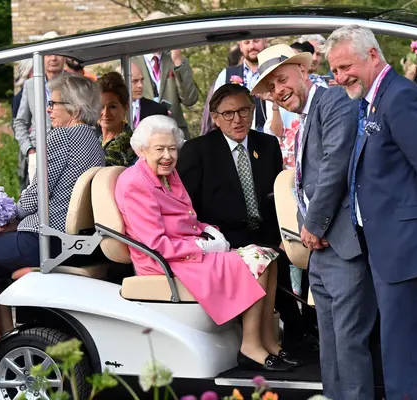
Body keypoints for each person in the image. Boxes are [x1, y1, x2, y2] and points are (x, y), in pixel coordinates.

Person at [325, 25, 417, 400]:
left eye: (346, 66)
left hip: (408, 249)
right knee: (413, 360)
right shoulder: (375, 98)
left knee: (403, 363)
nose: (341, 77)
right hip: (390, 248)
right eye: (335, 71)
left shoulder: (401, 97)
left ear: (372, 56)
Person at [116, 115, 298, 371]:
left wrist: (208, 230)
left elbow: (184, 218)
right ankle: (250, 346)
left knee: (268, 256)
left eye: (171, 148)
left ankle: (267, 340)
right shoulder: (135, 182)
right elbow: (156, 244)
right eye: (159, 149)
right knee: (256, 259)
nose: (167, 155)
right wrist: (201, 247)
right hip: (167, 262)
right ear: (141, 150)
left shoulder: (166, 174)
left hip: (184, 251)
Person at [252, 44, 375, 400]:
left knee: (349, 344)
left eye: (281, 79)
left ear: (303, 71)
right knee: (331, 346)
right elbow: (309, 179)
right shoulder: (309, 113)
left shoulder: (334, 100)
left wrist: (313, 227)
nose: (278, 90)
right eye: (271, 87)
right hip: (321, 249)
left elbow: (335, 168)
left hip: (341, 246)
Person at [0, 74, 105, 356]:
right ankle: (4, 337)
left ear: (74, 109)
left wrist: (4, 217)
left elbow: (37, 194)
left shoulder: (63, 136)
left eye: (53, 104)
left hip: (47, 240)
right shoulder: (92, 138)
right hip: (71, 238)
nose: (48, 110)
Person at [176, 84, 316, 351]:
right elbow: (187, 207)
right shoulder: (198, 150)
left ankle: (304, 331)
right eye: (228, 114)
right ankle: (277, 337)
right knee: (268, 261)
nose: (237, 119)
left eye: (243, 110)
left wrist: (283, 236)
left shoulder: (267, 144)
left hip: (267, 231)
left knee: (305, 254)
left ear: (253, 111)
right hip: (225, 238)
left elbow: (275, 198)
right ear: (215, 118)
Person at [131, 12, 200, 139]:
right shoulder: (131, 62)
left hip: (175, 133)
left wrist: (178, 62)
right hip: (143, 134)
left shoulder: (176, 60)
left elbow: (190, 100)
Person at [13, 31, 67, 189]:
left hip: (66, 152)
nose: (53, 58)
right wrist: (29, 149)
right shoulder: (30, 85)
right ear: (41, 57)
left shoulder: (74, 83)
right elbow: (19, 122)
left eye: (57, 52)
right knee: (37, 202)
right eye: (48, 53)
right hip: (37, 154)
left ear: (64, 56)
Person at [97, 72, 136, 167]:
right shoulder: (98, 140)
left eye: (112, 106)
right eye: (101, 106)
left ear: (125, 108)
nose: (105, 113)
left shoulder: (130, 145)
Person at [127, 63, 169, 130]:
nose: (140, 85)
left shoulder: (158, 110)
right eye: (135, 81)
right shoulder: (108, 111)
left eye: (142, 80)